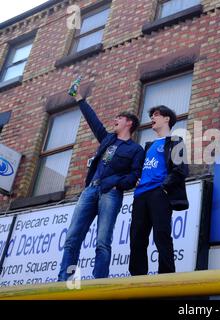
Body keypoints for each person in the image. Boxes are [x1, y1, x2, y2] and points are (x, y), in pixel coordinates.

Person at [58, 88, 145, 281]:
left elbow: (134, 175)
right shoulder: (107, 139)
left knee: (102, 241)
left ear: (129, 122)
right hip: (90, 190)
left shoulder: (136, 150)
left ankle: (99, 282)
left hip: (110, 194)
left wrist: (116, 184)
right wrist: (79, 98)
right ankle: (64, 280)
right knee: (73, 238)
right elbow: (92, 119)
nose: (115, 120)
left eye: (119, 118)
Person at [129, 105, 189, 276]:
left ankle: (166, 276)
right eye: (152, 115)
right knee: (137, 238)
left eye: (156, 115)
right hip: (140, 195)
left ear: (167, 119)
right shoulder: (148, 146)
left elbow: (181, 170)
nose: (152, 118)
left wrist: (164, 187)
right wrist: (138, 178)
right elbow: (141, 169)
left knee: (161, 235)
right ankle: (137, 278)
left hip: (159, 193)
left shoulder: (176, 141)